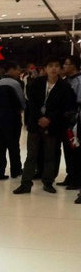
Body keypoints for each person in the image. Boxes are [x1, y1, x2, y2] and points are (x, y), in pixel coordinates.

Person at [13, 56, 76, 194]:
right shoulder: (37, 83)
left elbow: (64, 107)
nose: (53, 69)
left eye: (56, 66)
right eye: (50, 66)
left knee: (50, 155)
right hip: (35, 124)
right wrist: (39, 117)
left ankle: (48, 182)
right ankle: (26, 183)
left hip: (53, 125)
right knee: (31, 155)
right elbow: (31, 102)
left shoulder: (65, 87)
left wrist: (49, 118)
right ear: (45, 68)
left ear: (60, 69)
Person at [0, 61, 25, 180]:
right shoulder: (15, 83)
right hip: (12, 117)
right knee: (13, 144)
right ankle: (16, 170)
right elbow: (21, 101)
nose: (19, 72)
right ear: (11, 69)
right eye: (17, 69)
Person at [57, 55, 81, 189]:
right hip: (65, 121)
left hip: (75, 121)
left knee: (76, 150)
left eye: (66, 64)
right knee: (67, 149)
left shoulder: (79, 81)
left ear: (74, 66)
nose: (64, 66)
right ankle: (70, 175)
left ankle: (76, 179)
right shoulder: (65, 80)